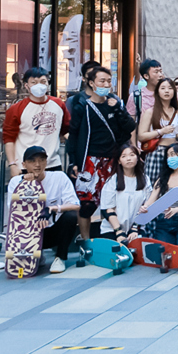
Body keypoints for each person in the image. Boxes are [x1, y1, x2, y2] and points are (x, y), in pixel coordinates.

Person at [66, 66, 135, 243]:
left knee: (113, 200)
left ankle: (111, 237)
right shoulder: (83, 106)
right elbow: (73, 134)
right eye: (102, 81)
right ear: (91, 83)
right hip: (90, 160)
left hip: (113, 159)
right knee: (87, 204)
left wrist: (118, 109)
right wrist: (74, 161)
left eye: (108, 81)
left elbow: (129, 127)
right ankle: (86, 240)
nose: (106, 84)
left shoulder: (115, 103)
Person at [7, 146, 81, 274]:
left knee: (71, 216)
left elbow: (75, 205)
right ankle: (34, 253)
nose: (37, 164)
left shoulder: (59, 177)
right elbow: (14, 212)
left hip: (52, 231)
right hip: (28, 233)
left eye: (41, 160)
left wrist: (52, 208)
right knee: (22, 270)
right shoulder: (15, 182)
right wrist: (26, 186)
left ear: (46, 162)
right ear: (24, 164)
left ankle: (60, 257)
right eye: (32, 161)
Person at [2, 67, 70, 178]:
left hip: (52, 163)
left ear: (48, 83)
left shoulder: (59, 104)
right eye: (34, 82)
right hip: (26, 165)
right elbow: (9, 138)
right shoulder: (16, 109)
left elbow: (65, 129)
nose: (39, 85)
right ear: (26, 86)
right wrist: (12, 164)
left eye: (43, 81)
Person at [136, 77, 178, 183]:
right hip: (156, 152)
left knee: (173, 183)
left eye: (170, 88)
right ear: (157, 91)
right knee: (153, 184)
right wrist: (161, 131)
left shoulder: (177, 112)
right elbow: (141, 136)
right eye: (163, 88)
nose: (167, 91)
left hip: (173, 152)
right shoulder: (150, 112)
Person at [100, 145, 149, 245]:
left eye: (132, 155)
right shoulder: (112, 181)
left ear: (138, 158)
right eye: (124, 156)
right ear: (119, 161)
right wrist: (119, 232)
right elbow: (108, 209)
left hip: (136, 228)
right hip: (113, 229)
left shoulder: (145, 180)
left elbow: (147, 206)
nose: (128, 159)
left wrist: (135, 227)